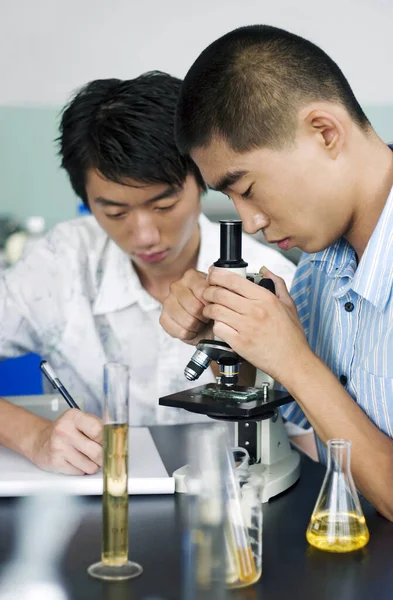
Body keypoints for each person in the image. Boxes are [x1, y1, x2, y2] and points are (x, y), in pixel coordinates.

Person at [0, 71, 295, 474]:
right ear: (86, 198)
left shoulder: (272, 279)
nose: (145, 235)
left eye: (164, 205)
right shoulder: (61, 265)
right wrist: (34, 436)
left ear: (201, 180)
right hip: (96, 498)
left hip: (227, 497)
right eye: (115, 212)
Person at [159, 26, 393, 521]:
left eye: (247, 187)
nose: (251, 223)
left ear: (325, 133)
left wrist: (294, 359)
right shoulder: (320, 262)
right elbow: (298, 418)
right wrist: (236, 336)